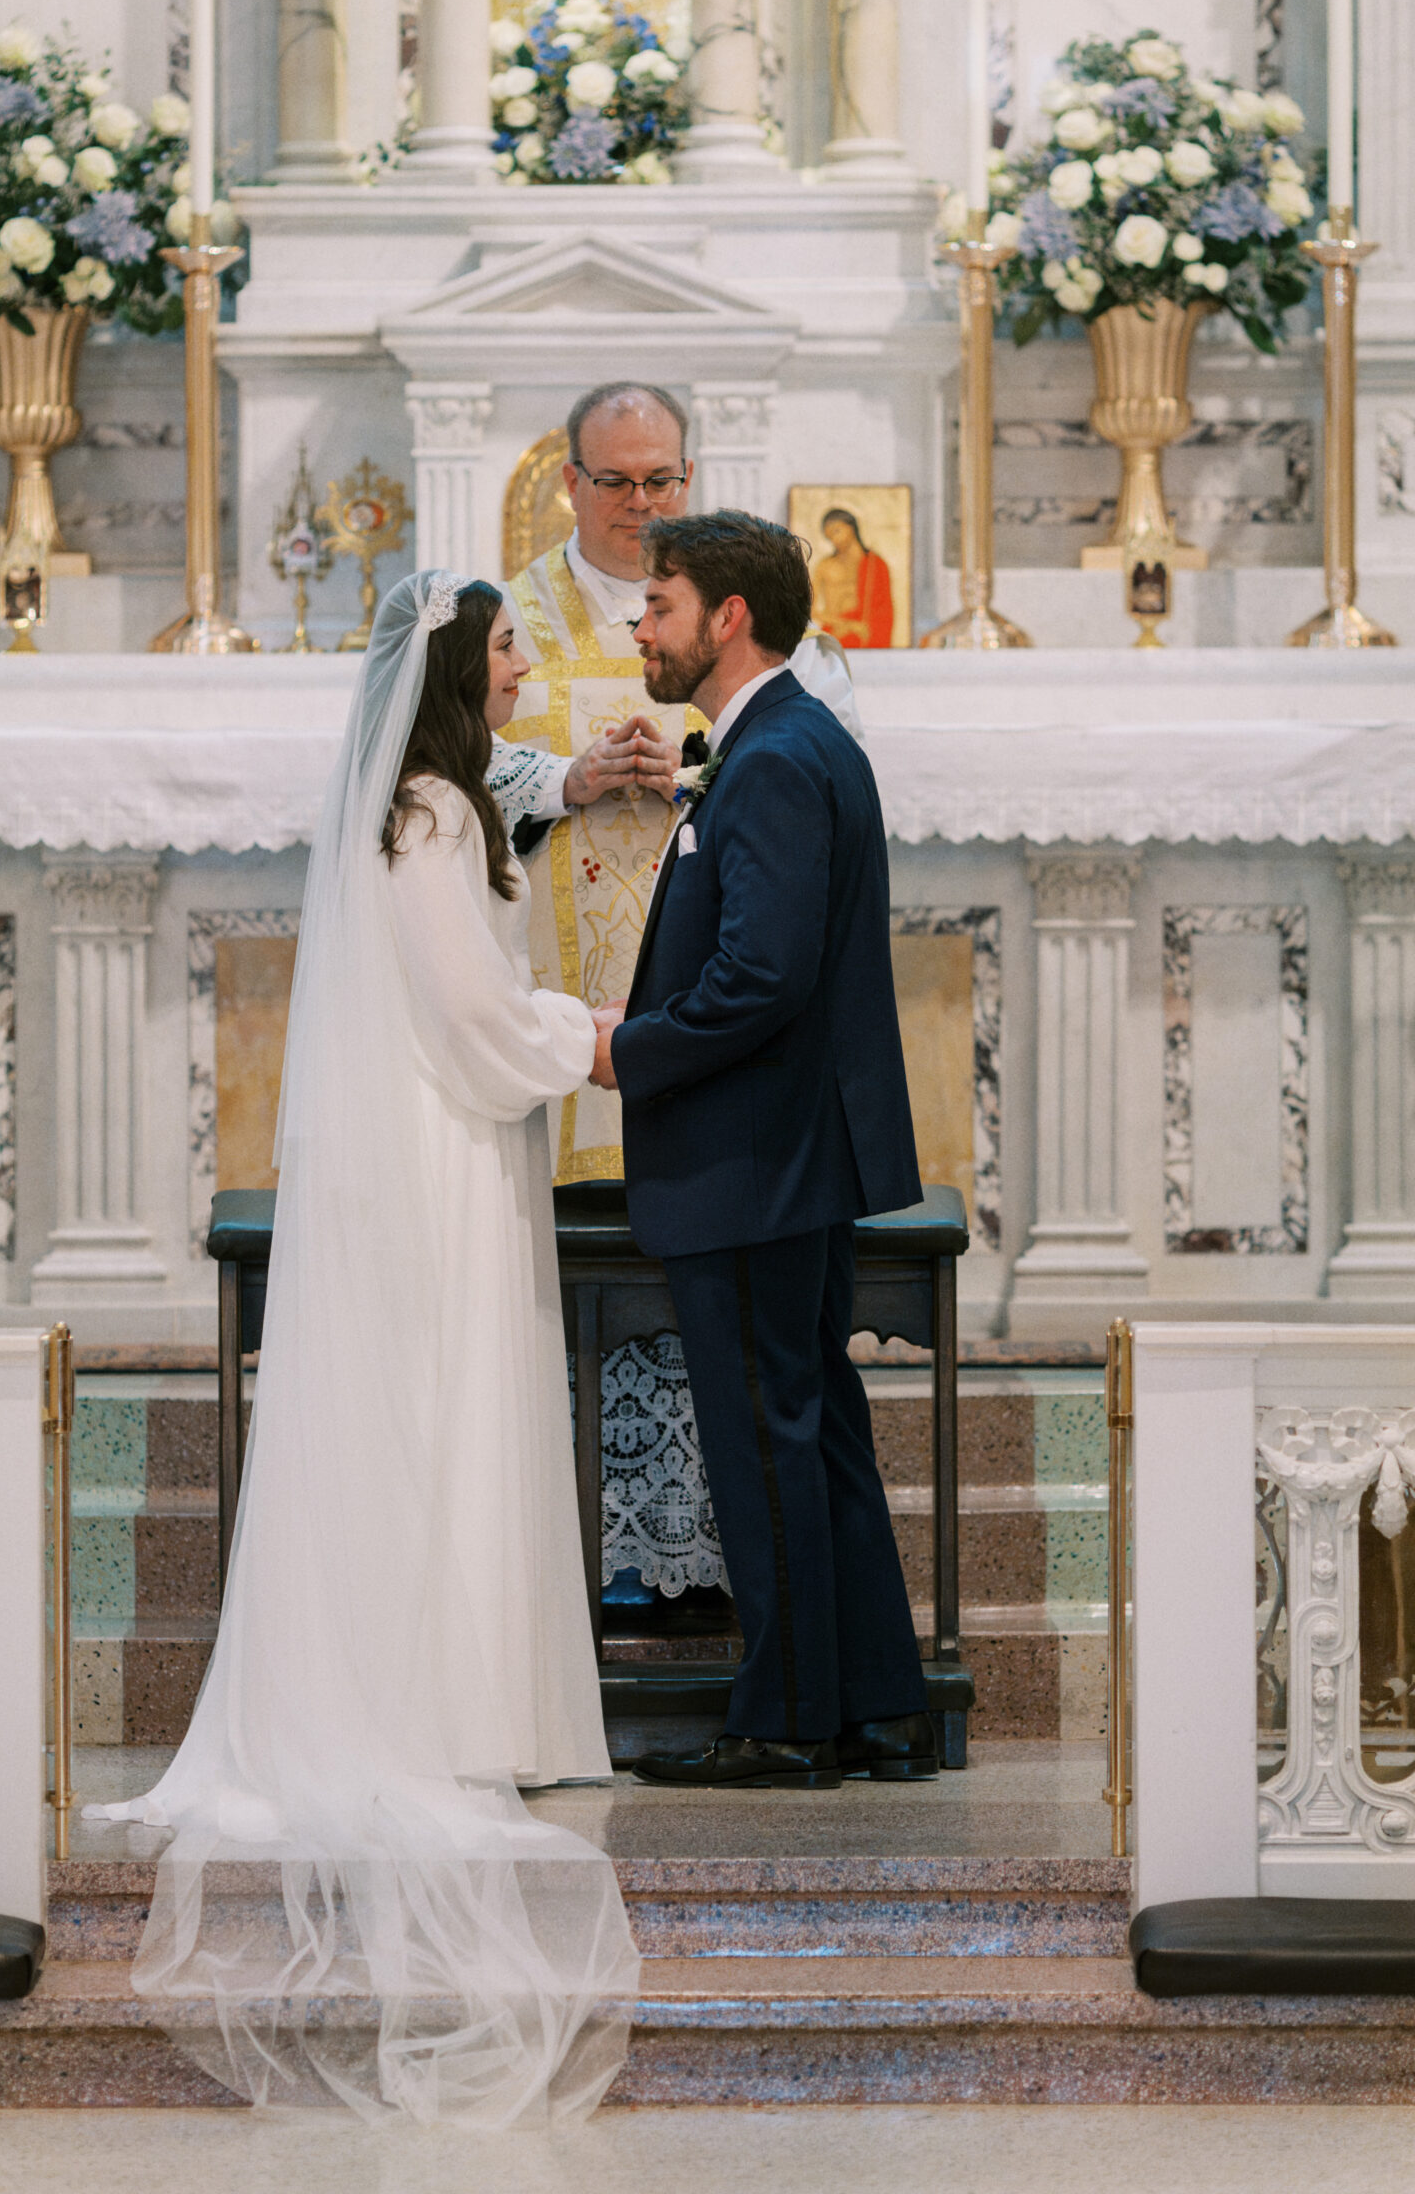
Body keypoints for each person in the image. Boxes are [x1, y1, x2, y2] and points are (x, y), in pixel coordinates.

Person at [89, 571, 640, 2126]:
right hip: (443, 1134)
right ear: (465, 669)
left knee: (444, 1401)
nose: (533, 662)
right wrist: (582, 1036)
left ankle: (467, 1698)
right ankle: (448, 1709)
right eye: (515, 644)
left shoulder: (434, 806)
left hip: (436, 1128)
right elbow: (467, 1007)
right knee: (446, 1400)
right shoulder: (434, 818)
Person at [488, 380, 865, 1601]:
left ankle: (720, 1581)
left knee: (742, 1351)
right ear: (570, 481)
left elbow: (820, 735)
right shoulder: (511, 616)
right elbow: (437, 765)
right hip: (571, 1017)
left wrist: (691, 760)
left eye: (662, 481)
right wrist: (565, 776)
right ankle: (596, 1561)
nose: (640, 505)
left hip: (711, 1051)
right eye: (616, 482)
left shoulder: (739, 602)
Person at [591, 511, 937, 1791]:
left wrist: (633, 1049)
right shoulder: (786, 742)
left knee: (766, 1435)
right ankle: (874, 1702)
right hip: (784, 1149)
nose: (644, 625)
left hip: (755, 1155)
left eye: (661, 602)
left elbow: (763, 979)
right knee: (814, 1423)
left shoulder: (780, 757)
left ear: (727, 615)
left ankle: (787, 1717)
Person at [810, 505, 895, 648]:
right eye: (830, 537)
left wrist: (859, 628)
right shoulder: (825, 566)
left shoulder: (875, 565)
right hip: (835, 633)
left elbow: (884, 611)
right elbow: (810, 610)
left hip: (866, 635)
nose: (835, 540)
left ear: (852, 527)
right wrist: (849, 625)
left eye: (837, 531)